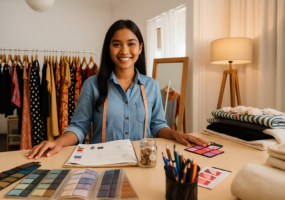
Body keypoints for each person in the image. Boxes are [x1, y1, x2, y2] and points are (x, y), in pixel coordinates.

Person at [26, 20, 209, 160]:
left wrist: (175, 134)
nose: (124, 50)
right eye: (116, 44)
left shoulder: (151, 86)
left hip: (142, 161)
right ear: (109, 48)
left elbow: (157, 126)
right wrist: (58, 142)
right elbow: (79, 127)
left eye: (131, 43)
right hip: (101, 161)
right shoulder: (92, 84)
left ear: (140, 48)